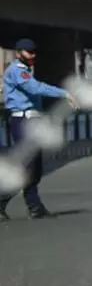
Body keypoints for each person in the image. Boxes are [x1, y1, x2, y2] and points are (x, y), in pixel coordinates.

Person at [2, 38, 75, 220]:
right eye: (29, 52)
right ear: (19, 53)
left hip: (31, 122)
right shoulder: (17, 71)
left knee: (34, 168)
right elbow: (35, 88)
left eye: (34, 52)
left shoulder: (25, 70)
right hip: (23, 122)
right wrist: (64, 93)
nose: (33, 55)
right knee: (27, 167)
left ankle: (33, 206)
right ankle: (25, 204)